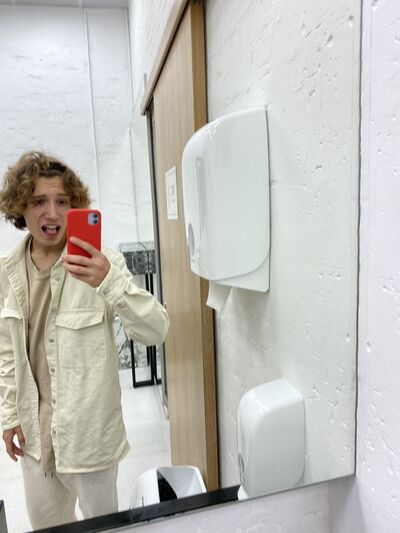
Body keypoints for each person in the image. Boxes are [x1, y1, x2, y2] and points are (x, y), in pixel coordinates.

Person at [0, 151, 169, 529]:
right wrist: (10, 416)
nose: (52, 213)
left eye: (62, 201)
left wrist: (110, 282)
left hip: (89, 438)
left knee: (102, 527)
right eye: (39, 201)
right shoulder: (7, 270)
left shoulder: (102, 263)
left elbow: (155, 330)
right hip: (34, 440)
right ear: (20, 207)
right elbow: (7, 352)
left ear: (75, 206)